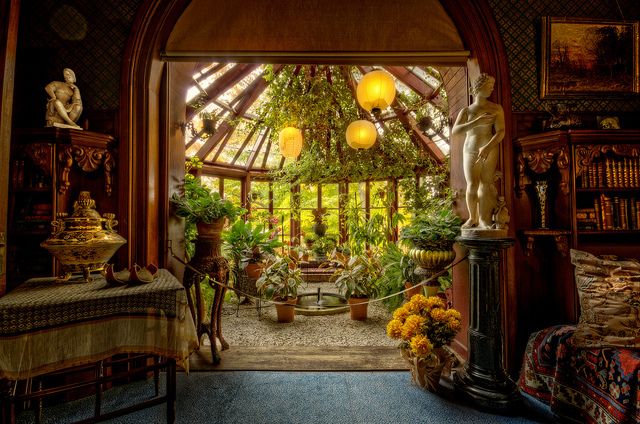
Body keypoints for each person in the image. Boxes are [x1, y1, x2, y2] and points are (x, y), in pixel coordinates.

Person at [452, 73, 505, 230]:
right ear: (478, 88)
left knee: (485, 184)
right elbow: (456, 130)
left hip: (490, 148)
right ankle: (472, 219)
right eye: (488, 86)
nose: (491, 89)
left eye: (492, 86)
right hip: (470, 149)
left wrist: (488, 146)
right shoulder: (467, 111)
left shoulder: (496, 108)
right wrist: (476, 122)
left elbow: (501, 132)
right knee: (472, 184)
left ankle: (483, 220)